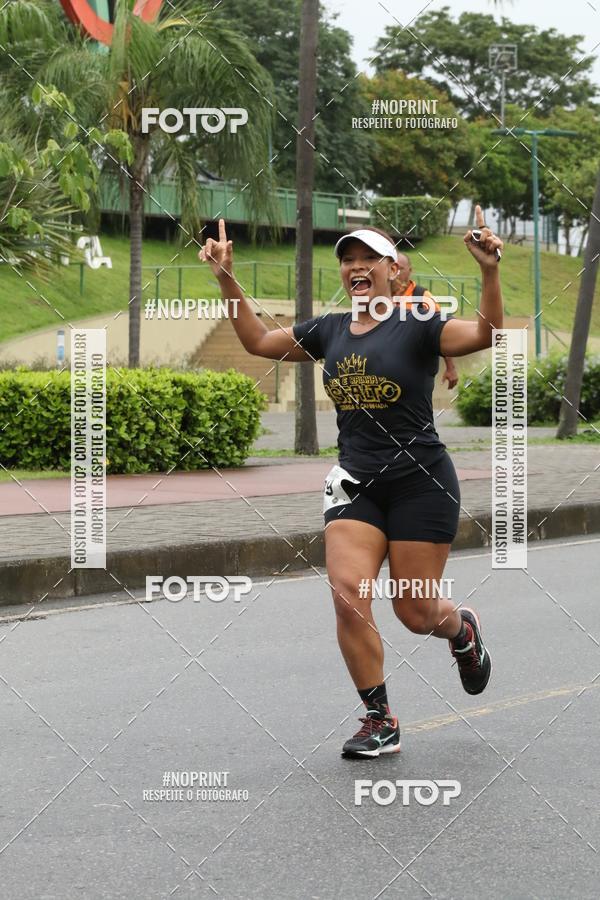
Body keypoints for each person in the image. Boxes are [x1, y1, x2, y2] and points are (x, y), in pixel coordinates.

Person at [199, 207, 503, 759]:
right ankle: (378, 717)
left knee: (415, 612)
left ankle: (460, 629)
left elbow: (486, 333)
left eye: (369, 259)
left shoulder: (419, 323)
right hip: (356, 483)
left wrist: (488, 272)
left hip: (421, 483)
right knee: (347, 596)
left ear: (392, 269)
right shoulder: (329, 330)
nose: (356, 268)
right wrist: (226, 279)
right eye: (348, 260)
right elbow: (258, 343)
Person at [391, 249, 458, 390]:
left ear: (410, 271)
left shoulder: (423, 297)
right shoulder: (379, 297)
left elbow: (442, 332)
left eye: (401, 269)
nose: (397, 273)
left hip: (419, 372)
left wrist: (450, 368)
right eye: (393, 268)